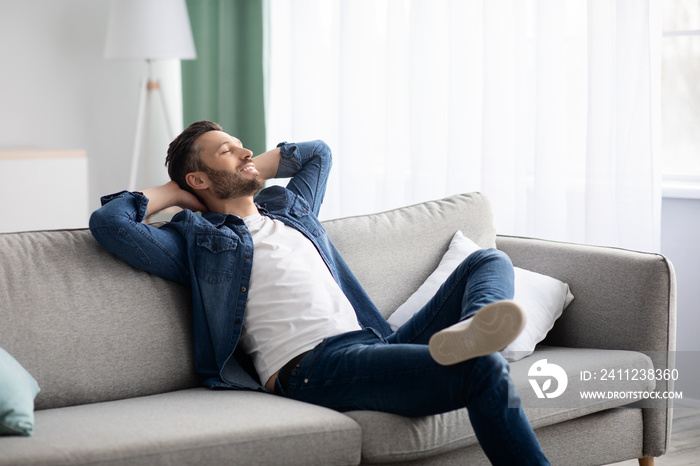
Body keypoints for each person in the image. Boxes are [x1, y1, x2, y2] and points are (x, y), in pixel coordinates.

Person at [89, 120, 550, 465]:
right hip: (314, 367)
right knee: (486, 371)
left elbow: (317, 154)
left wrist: (244, 166)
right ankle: (477, 350)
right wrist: (175, 191)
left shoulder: (291, 211)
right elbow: (110, 224)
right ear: (199, 180)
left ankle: (474, 328)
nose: (246, 150)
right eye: (228, 151)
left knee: (489, 260)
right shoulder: (199, 243)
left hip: (376, 343)